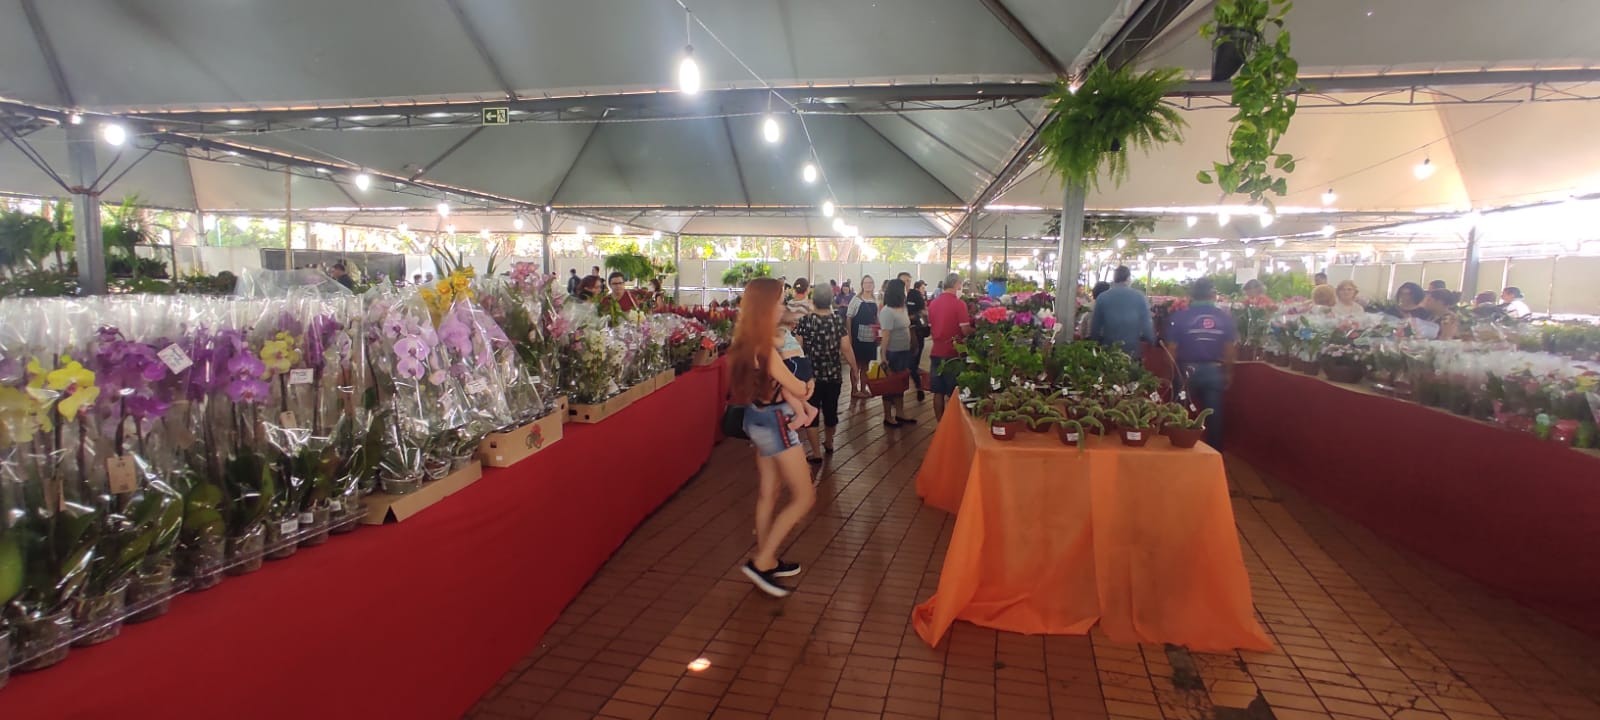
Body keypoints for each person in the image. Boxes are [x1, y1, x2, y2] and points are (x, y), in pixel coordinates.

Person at [728, 278, 815, 598]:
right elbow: (799, 388)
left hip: (755, 417)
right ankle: (762, 560)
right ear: (766, 306)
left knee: (770, 490)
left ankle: (767, 557)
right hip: (775, 421)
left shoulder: (746, 341)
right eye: (779, 301)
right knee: (805, 497)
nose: (783, 306)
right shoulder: (766, 349)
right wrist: (809, 385)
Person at [1162, 278, 1237, 450]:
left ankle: (1175, 451)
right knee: (1213, 416)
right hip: (1213, 371)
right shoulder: (1224, 318)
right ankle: (1215, 455)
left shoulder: (1180, 316)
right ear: (1213, 294)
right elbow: (1229, 349)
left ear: (1191, 296)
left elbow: (1171, 349)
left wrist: (1169, 373)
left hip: (1185, 371)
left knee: (1178, 414)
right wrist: (1228, 372)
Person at [795, 285, 855, 458]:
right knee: (831, 411)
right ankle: (829, 442)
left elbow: (798, 346)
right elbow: (846, 347)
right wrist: (854, 367)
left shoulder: (806, 320)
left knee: (811, 413)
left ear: (813, 301)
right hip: (833, 374)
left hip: (810, 376)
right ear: (830, 301)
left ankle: (815, 452)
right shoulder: (837, 320)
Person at [928, 272, 972, 421]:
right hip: (953, 353)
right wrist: (975, 332)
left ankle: (939, 423)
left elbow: (931, 326)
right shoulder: (959, 304)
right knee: (953, 392)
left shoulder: (933, 303)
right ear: (956, 284)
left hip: (936, 351)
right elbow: (965, 330)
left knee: (937, 391)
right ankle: (952, 425)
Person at [1089, 266, 1156, 360]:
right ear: (1128, 278)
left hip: (1109, 351)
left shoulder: (1102, 297)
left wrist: (1095, 345)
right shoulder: (1139, 297)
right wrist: (1152, 340)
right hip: (1132, 350)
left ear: (1114, 279)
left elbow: (1095, 327)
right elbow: (1146, 324)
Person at [876, 278, 917, 427]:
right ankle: (888, 416)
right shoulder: (887, 311)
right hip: (893, 352)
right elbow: (885, 335)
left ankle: (900, 412)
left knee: (901, 384)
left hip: (904, 350)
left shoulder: (903, 308)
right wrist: (883, 355)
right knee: (889, 385)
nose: (907, 290)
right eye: (904, 288)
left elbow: (907, 327)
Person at [775, 307, 821, 433]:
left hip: (793, 362)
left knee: (786, 389)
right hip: (801, 362)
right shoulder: (787, 331)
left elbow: (779, 343)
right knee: (793, 391)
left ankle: (801, 414)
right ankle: (809, 408)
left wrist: (766, 342)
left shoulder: (779, 330)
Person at [846, 276, 879, 398]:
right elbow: (849, 317)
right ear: (862, 285)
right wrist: (849, 335)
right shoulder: (856, 300)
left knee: (866, 365)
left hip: (870, 337)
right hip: (857, 338)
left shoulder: (875, 300)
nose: (868, 285)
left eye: (870, 282)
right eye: (866, 283)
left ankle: (864, 389)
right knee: (856, 364)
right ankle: (854, 390)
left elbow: (876, 318)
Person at [900, 272, 928, 401]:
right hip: (900, 335)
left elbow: (923, 312)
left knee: (913, 364)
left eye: (909, 281)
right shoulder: (894, 296)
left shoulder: (915, 295)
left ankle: (918, 387)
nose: (907, 283)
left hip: (916, 334)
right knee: (899, 365)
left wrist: (910, 317)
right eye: (904, 281)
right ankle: (897, 394)